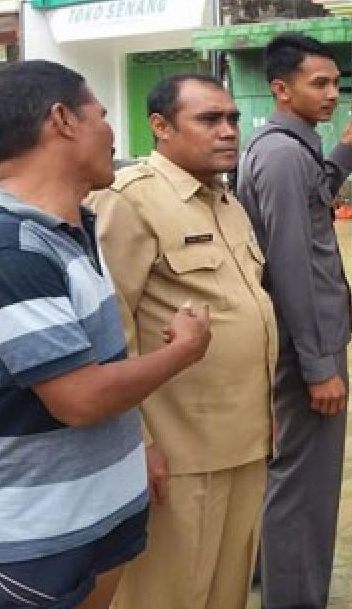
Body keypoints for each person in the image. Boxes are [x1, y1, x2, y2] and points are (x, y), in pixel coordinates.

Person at [0, 60, 211, 609]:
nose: (111, 133)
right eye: (101, 116)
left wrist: (138, 447)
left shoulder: (73, 226)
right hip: (24, 544)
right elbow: (80, 397)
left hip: (94, 517)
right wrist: (184, 352)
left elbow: (101, 356)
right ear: (62, 120)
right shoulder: (3, 248)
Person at [90, 74, 277, 609]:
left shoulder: (227, 203)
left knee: (228, 591)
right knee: (168, 594)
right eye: (209, 119)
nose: (228, 132)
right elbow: (110, 329)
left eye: (233, 119)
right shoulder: (131, 201)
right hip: (178, 449)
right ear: (160, 126)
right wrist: (137, 443)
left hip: (244, 439)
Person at [235, 34, 352, 609]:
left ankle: (272, 577)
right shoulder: (285, 154)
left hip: (298, 338)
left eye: (336, 83)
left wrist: (343, 155)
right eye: (320, 83)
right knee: (305, 483)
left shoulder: (293, 148)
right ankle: (294, 598)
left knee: (284, 471)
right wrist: (318, 366)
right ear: (281, 89)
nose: (332, 93)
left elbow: (313, 206)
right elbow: (293, 263)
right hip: (304, 344)